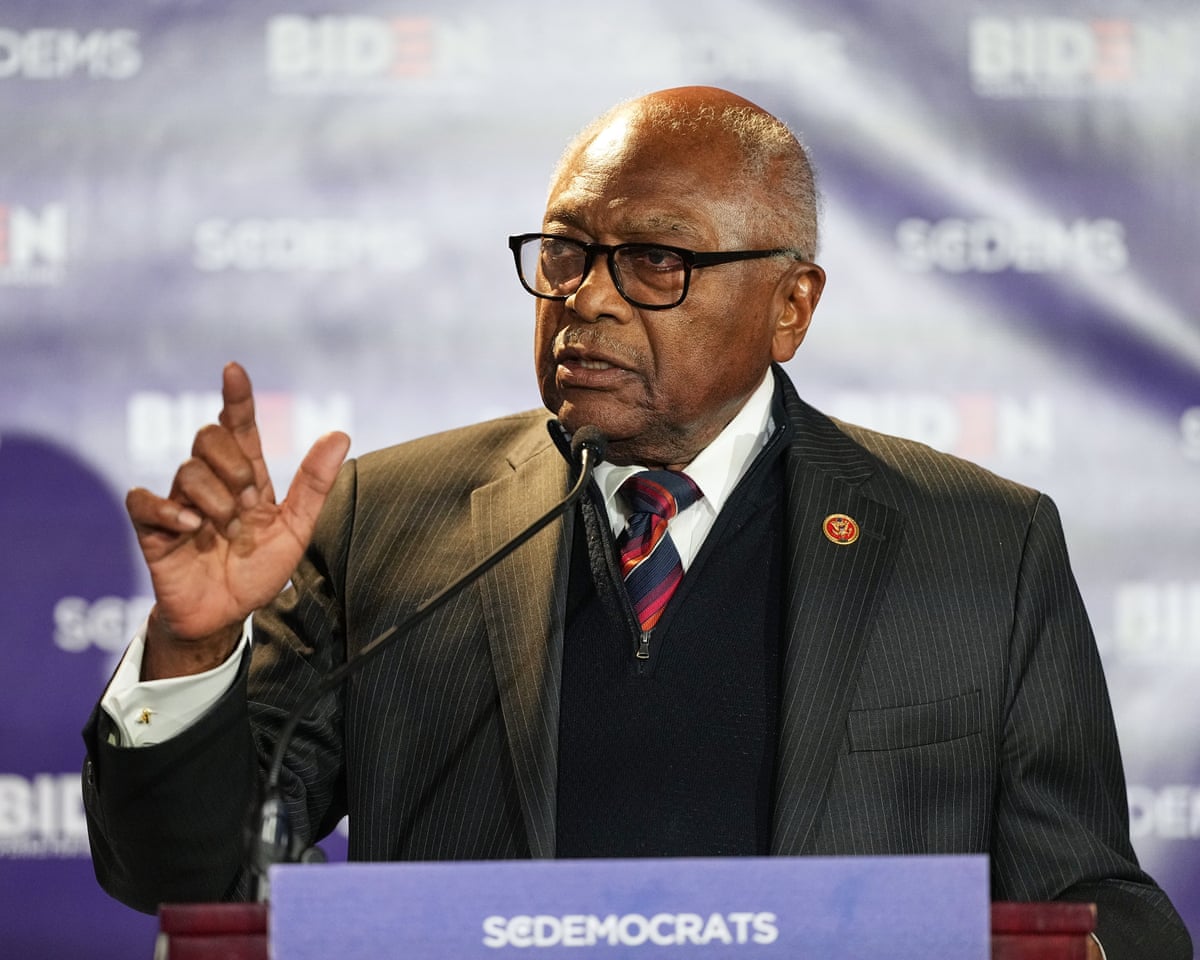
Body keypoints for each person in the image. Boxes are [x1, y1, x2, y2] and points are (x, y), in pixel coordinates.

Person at [83, 86, 1190, 958]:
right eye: (565, 252)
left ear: (789, 307)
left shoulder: (979, 547)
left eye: (655, 261)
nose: (589, 300)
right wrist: (196, 648)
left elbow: (1091, 900)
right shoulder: (389, 521)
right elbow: (195, 878)